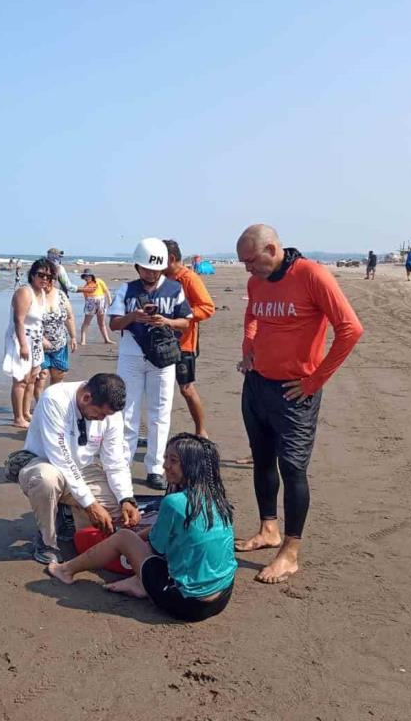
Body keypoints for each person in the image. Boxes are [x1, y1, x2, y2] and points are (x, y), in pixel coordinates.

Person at [234, 224, 363, 583]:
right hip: (257, 385)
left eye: (251, 261)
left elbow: (351, 329)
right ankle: (268, 529)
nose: (247, 269)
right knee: (262, 459)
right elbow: (253, 316)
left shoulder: (312, 276)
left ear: (272, 249)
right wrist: (249, 349)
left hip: (295, 393)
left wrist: (313, 381)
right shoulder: (256, 281)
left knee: (292, 470)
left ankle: (290, 552)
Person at [46, 433, 237, 622]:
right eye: (165, 458)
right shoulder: (218, 499)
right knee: (160, 538)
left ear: (192, 466)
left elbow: (155, 548)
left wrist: (126, 541)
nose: (164, 466)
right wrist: (140, 536)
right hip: (222, 596)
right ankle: (140, 581)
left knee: (124, 538)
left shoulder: (174, 503)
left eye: (173, 460)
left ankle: (66, 570)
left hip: (188, 604)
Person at [14, 373, 138, 564]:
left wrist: (126, 499)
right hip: (45, 462)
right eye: (101, 414)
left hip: (84, 469)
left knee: (115, 511)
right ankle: (47, 541)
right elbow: (61, 458)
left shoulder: (111, 414)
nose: (102, 419)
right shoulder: (54, 399)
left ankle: (66, 514)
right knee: (46, 480)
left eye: (107, 416)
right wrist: (90, 504)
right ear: (86, 397)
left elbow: (115, 460)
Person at [108, 237, 192, 490]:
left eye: (155, 269)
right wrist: (134, 316)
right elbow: (114, 324)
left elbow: (186, 321)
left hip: (162, 357)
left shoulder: (175, 289)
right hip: (131, 354)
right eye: (146, 269)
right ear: (137, 267)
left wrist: (165, 321)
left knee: (160, 413)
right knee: (127, 411)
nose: (150, 273)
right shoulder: (126, 289)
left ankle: (156, 467)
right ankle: (122, 463)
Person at [163, 239, 215, 438]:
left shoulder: (188, 278)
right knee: (161, 389)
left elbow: (207, 307)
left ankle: (201, 430)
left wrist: (181, 315)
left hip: (185, 344)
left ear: (172, 258)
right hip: (162, 343)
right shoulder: (161, 278)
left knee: (186, 388)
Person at [3, 258, 48, 428]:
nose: (44, 279)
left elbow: (38, 322)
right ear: (33, 275)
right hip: (21, 338)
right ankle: (18, 417)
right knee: (20, 379)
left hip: (35, 339)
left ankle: (26, 412)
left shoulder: (41, 293)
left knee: (32, 378)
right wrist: (23, 345)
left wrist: (42, 339)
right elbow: (18, 320)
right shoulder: (24, 292)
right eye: (41, 275)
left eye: (48, 277)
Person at [34, 271, 77, 397]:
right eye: (44, 278)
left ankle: (52, 403)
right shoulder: (34, 295)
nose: (47, 281)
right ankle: (39, 406)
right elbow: (27, 321)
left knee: (58, 375)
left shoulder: (61, 295)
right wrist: (40, 338)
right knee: (42, 375)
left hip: (59, 343)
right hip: (39, 345)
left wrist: (73, 337)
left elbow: (69, 317)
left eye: (51, 279)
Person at [76, 271, 113, 345]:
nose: (86, 278)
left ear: (92, 276)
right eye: (85, 277)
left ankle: (106, 339)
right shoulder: (85, 287)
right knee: (86, 322)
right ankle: (83, 340)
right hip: (91, 303)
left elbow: (106, 291)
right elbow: (86, 298)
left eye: (88, 276)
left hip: (101, 302)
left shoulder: (99, 281)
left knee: (101, 323)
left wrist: (110, 302)